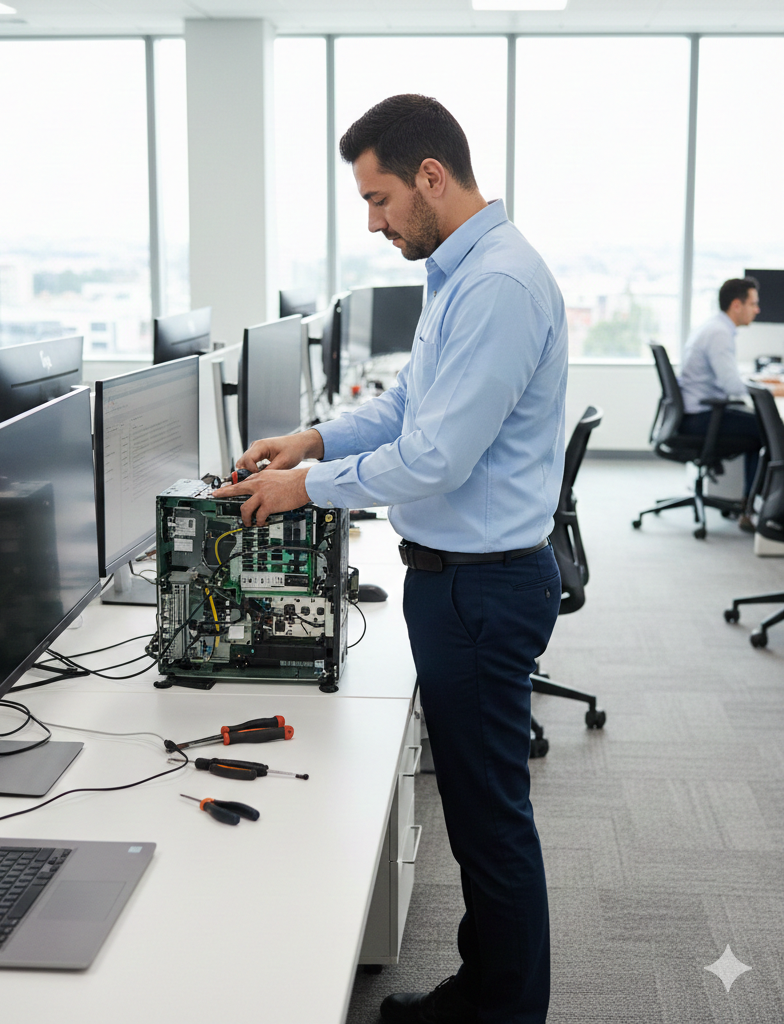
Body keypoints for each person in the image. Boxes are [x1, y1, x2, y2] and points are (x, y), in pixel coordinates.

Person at [215, 94, 567, 1024]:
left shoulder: (496, 284)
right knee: (476, 812)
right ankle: (482, 992)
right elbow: (412, 406)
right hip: (458, 581)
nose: (372, 224)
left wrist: (304, 491)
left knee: (492, 823)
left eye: (378, 201)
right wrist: (315, 441)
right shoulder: (463, 272)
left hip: (483, 590)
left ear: (430, 178)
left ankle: (506, 1013)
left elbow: (437, 455)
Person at [677, 276, 764, 524]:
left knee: (759, 430)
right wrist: (769, 390)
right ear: (737, 305)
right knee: (769, 429)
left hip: (694, 412)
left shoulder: (715, 327)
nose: (757, 310)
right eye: (753, 304)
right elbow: (732, 386)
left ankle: (750, 503)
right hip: (701, 417)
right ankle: (753, 508)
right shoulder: (719, 333)